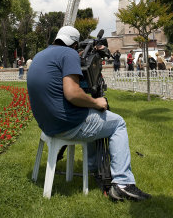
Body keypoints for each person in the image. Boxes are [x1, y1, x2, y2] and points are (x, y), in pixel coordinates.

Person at [27, 26, 151, 202]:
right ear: (75, 44)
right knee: (118, 123)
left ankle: (92, 167)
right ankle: (123, 184)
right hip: (66, 124)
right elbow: (72, 93)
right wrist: (96, 102)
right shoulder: (68, 54)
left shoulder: (41, 55)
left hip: (48, 125)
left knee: (93, 117)